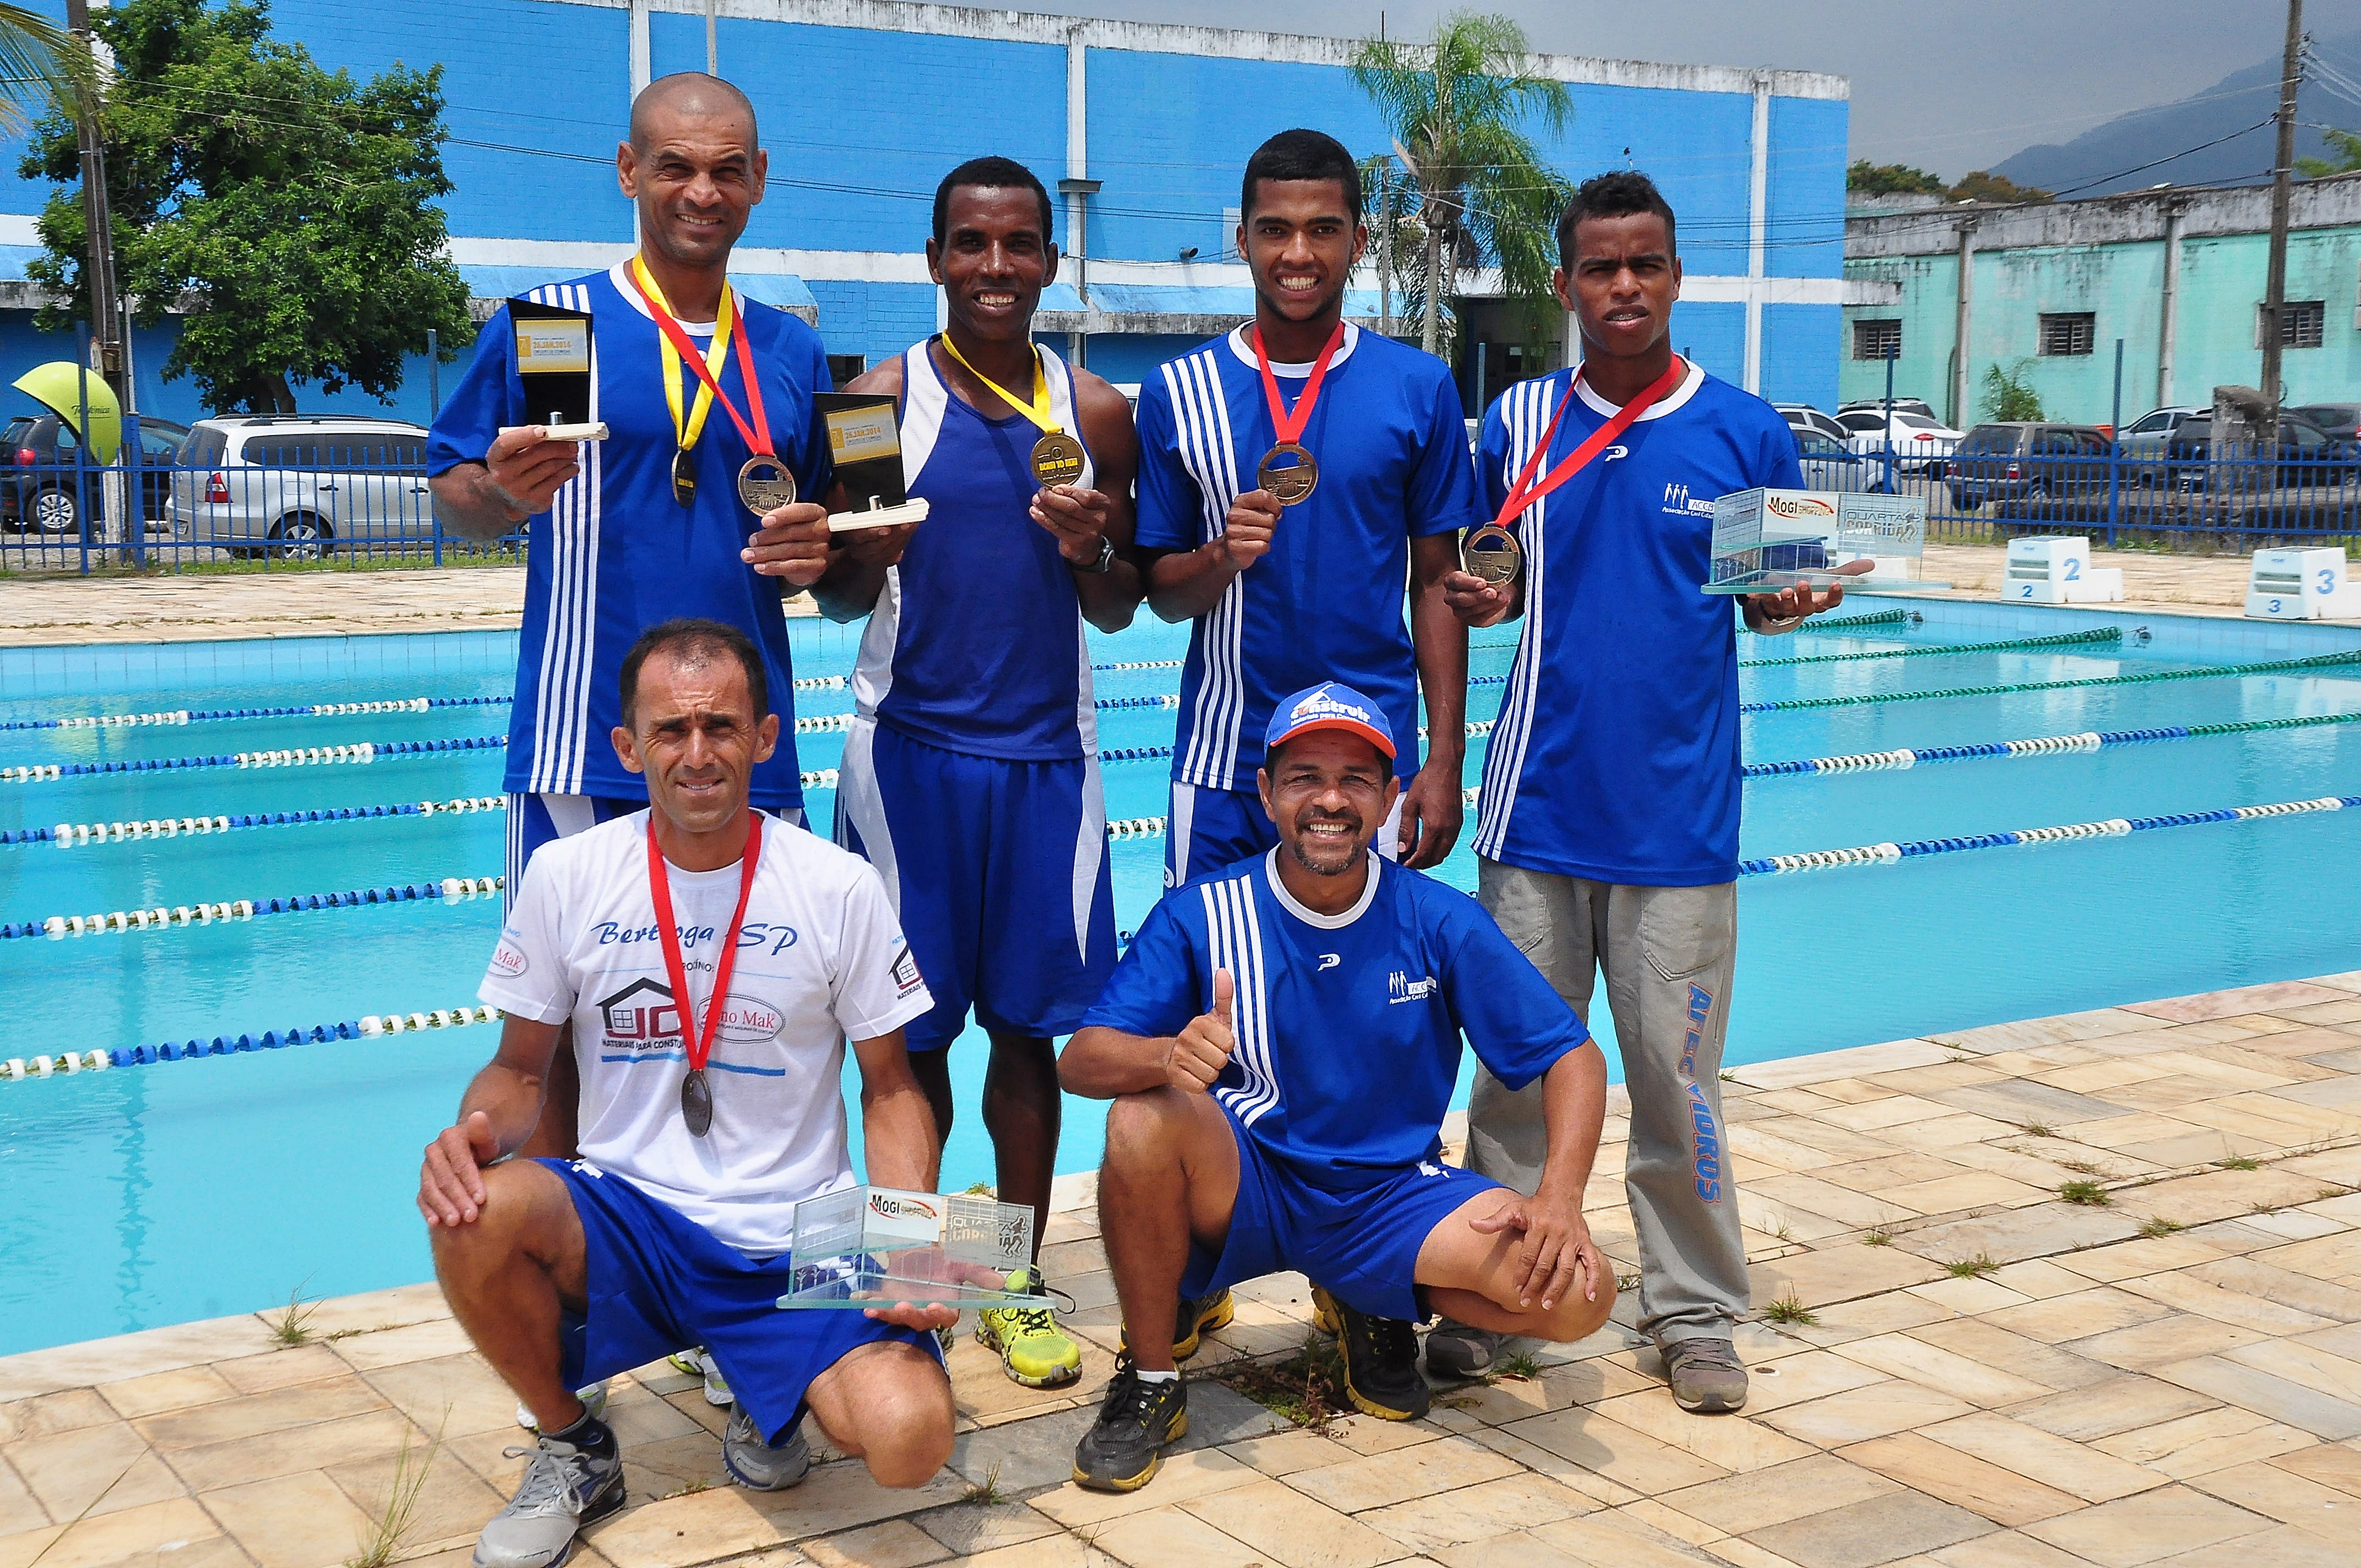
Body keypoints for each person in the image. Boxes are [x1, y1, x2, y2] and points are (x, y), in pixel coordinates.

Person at [1435, 171, 1857, 1412]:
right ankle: (1490, 1291)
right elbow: (1486, 573)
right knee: (1513, 1072)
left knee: (1674, 1083)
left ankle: (1692, 1309)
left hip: (1677, 818)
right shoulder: (1513, 424)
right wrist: (1484, 596)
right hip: (1533, 807)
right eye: (1601, 268)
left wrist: (1785, 604)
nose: (1624, 288)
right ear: (1565, 284)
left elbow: (1771, 601)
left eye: (1647, 266)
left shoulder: (1742, 429)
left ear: (1676, 279)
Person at [421, 619, 955, 1568]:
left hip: (802, 1231)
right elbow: (518, 1069)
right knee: (474, 1210)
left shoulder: (838, 887)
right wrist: (470, 1135)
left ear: (766, 737)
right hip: (630, 1215)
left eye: (721, 727)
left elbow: (892, 1089)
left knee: (911, 1443)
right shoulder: (567, 874)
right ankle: (573, 1447)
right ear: (628, 748)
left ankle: (768, 1393)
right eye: (671, 731)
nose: (697, 754)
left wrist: (905, 1239)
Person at [427, 72, 838, 1195]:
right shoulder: (548, 321)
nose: (699, 190)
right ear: (628, 172)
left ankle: (726, 1279)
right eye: (675, 166)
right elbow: (452, 495)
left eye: (724, 169)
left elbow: (827, 538)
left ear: (756, 182)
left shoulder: (793, 352)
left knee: (758, 1015)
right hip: (581, 735)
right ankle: (576, 1284)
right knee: (556, 1026)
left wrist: (820, 553)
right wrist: (501, 494)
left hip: (744, 743)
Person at [1059, 683, 1614, 1491]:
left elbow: (1574, 1057)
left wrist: (1560, 1197)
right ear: (1268, 793)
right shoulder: (1204, 912)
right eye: (1305, 777)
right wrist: (1163, 1058)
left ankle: (1369, 1291)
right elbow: (1082, 1059)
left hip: (1388, 1196)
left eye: (1357, 780)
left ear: (1389, 797)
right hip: (1250, 1183)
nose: (1330, 800)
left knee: (1584, 1297)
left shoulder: (1436, 918)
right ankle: (1148, 1379)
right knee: (1143, 1121)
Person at [810, 156, 1144, 1391]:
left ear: (1051, 261)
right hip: (906, 761)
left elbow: (1113, 609)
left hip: (1049, 769)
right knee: (902, 1041)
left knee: (1027, 1032)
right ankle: (910, 1276)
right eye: (970, 243)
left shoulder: (1099, 414)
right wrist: (865, 549)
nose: (994, 267)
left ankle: (1008, 1276)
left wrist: (1091, 544)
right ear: (935, 256)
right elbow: (838, 588)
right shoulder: (872, 399)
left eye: (1018, 246)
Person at [1134, 129, 1482, 888]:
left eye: (1323, 230)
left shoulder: (1417, 388)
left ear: (1358, 240)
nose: (1298, 253)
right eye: (1275, 230)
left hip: (1370, 763)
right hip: (1227, 761)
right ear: (1242, 240)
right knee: (1212, 1000)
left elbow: (1435, 582)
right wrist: (1221, 556)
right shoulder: (1177, 392)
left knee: (1363, 1000)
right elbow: (1160, 592)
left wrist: (1445, 759)